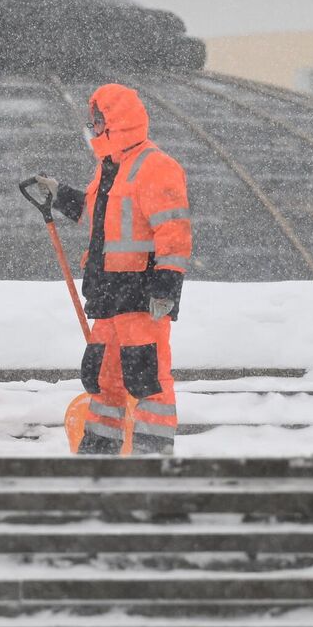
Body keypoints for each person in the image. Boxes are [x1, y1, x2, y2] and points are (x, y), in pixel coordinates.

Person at [30, 83, 192, 456]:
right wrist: (59, 194)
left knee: (146, 376)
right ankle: (99, 450)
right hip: (108, 295)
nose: (94, 126)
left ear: (116, 121)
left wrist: (166, 285)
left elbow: (173, 230)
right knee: (102, 376)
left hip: (141, 294)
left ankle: (152, 452)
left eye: (99, 119)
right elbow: (97, 218)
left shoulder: (155, 166)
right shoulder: (109, 170)